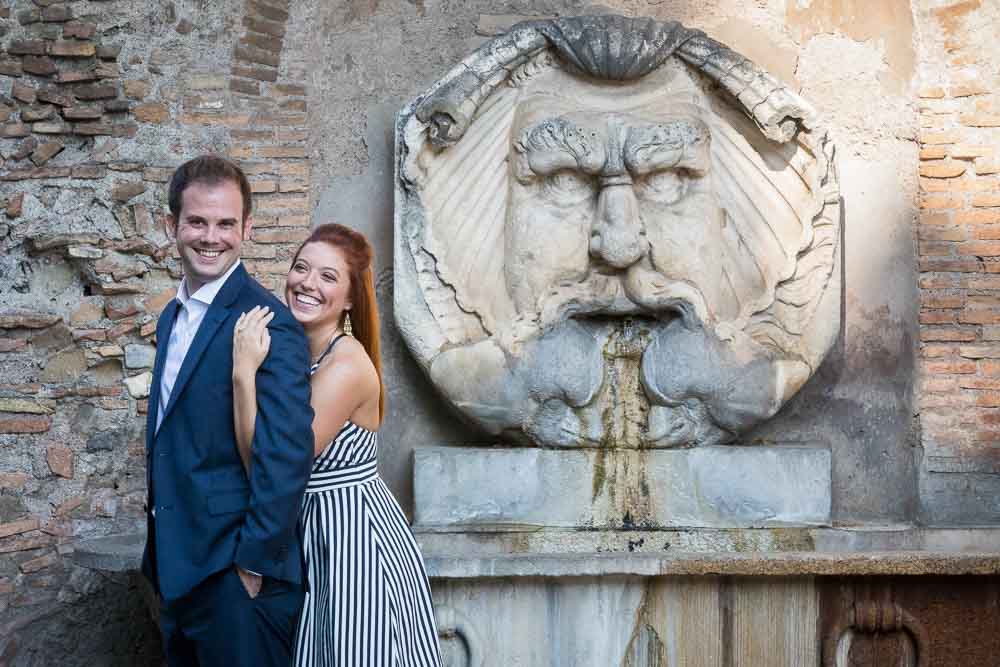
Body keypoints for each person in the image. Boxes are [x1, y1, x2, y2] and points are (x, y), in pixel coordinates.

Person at [232, 223, 442, 667]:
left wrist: (242, 375)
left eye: (328, 277)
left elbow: (272, 464)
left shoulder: (346, 364)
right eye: (301, 268)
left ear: (349, 298)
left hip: (352, 539)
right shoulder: (295, 353)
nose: (308, 283)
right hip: (313, 532)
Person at [141, 155, 315, 666]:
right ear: (172, 225)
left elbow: (285, 455)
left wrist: (252, 567)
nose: (210, 237)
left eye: (225, 224)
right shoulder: (170, 318)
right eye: (197, 221)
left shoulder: (269, 323)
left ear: (247, 229)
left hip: (236, 578)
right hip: (178, 567)